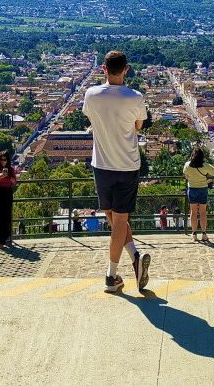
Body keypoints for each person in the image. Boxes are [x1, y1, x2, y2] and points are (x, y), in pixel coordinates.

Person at [83, 50, 151, 293]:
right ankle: (126, 264)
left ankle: (120, 270)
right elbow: (138, 126)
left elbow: (91, 118)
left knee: (113, 218)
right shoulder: (135, 97)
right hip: (127, 165)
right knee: (119, 220)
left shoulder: (91, 95)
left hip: (101, 165)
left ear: (103, 69)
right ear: (126, 69)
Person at [183, 146, 214, 242]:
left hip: (192, 188)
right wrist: (208, 180)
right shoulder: (205, 166)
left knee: (193, 212)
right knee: (203, 212)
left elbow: (186, 176)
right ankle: (204, 233)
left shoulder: (187, 165)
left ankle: (194, 234)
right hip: (203, 189)